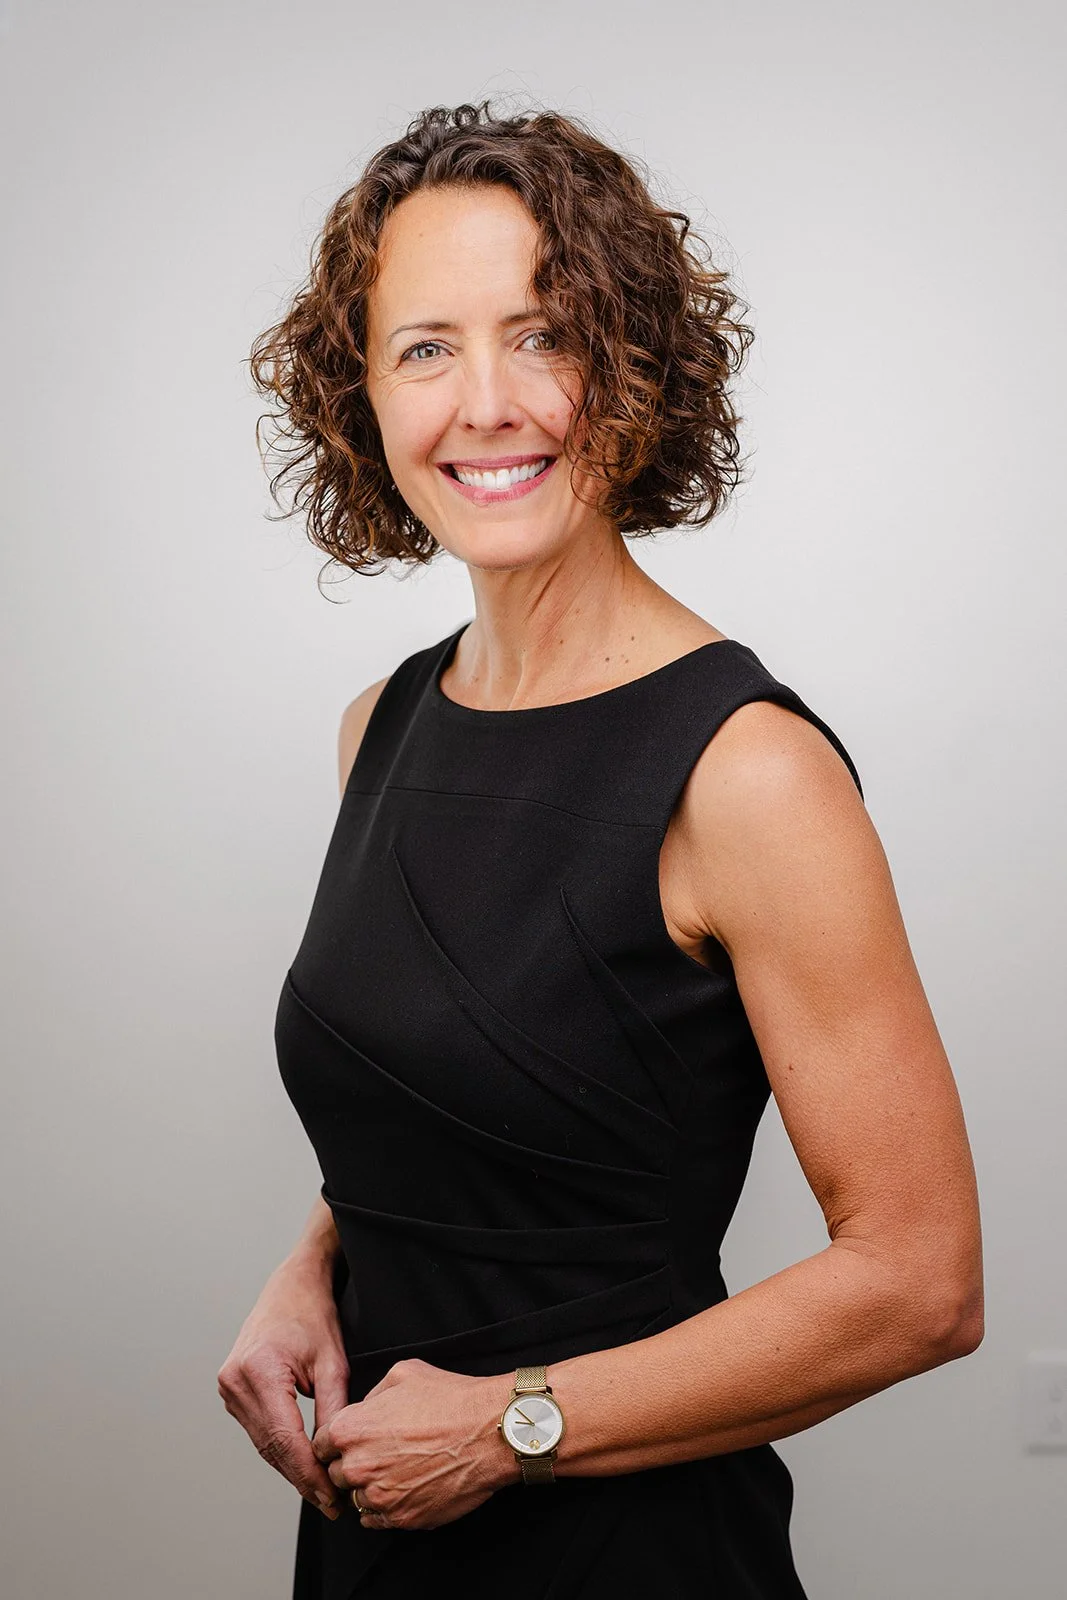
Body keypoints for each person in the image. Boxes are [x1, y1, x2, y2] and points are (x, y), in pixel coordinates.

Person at [217, 100, 984, 1598]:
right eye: (425, 347)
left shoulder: (744, 771)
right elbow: (457, 1090)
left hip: (621, 1548)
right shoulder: (380, 725)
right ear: (361, 395)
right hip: (373, 1519)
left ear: (628, 368)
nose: (485, 402)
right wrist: (310, 1269)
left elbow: (919, 1283)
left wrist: (510, 1429)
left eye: (541, 335)